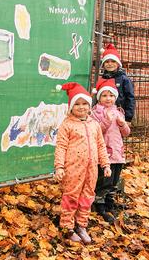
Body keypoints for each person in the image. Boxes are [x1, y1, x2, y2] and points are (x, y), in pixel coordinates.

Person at [54, 82, 111, 244]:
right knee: (71, 196)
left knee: (87, 197)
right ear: (71, 107)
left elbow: (101, 145)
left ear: (90, 105)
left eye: (85, 103)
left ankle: (81, 225)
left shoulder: (94, 125)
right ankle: (67, 227)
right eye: (77, 104)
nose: (81, 107)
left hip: (91, 170)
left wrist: (105, 164)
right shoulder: (67, 125)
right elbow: (61, 147)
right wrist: (59, 166)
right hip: (73, 169)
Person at [91, 78, 131, 223]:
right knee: (104, 180)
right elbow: (96, 131)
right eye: (104, 95)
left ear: (115, 97)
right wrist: (106, 121)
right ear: (99, 97)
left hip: (117, 153)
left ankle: (109, 204)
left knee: (114, 180)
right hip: (104, 154)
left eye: (111, 95)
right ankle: (99, 204)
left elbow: (126, 133)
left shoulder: (118, 112)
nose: (108, 98)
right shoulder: (95, 112)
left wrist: (122, 125)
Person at [100, 43, 135, 123]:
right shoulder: (102, 79)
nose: (110, 64)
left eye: (113, 61)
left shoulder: (124, 79)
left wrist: (128, 117)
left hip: (120, 116)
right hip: (104, 115)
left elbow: (130, 98)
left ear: (118, 64)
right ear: (103, 64)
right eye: (107, 62)